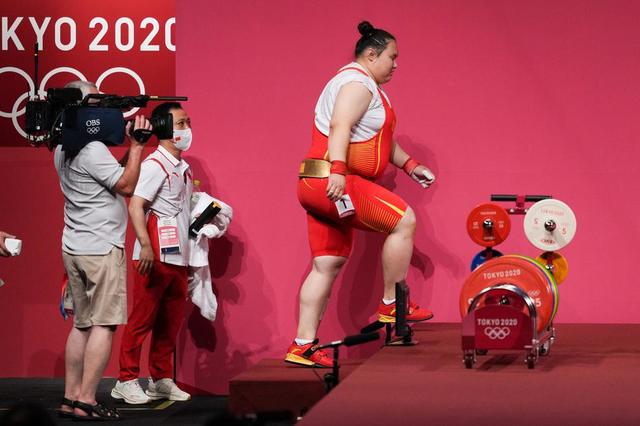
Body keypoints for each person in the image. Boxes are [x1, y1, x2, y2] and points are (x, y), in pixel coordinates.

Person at [286, 21, 437, 367]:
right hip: (331, 179)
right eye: (392, 57)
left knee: (326, 264)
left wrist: (410, 165)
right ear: (371, 54)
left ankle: (302, 345)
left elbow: (379, 140)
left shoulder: (364, 86)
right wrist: (339, 170)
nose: (396, 64)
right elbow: (340, 125)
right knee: (404, 220)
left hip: (315, 181)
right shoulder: (356, 84)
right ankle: (392, 304)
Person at [54, 80, 150, 419]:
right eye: (95, 100)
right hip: (101, 248)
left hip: (76, 246)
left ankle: (70, 398)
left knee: (82, 324)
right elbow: (126, 185)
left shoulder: (63, 146)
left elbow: (110, 176)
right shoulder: (92, 149)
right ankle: (87, 400)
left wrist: (129, 152)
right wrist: (137, 147)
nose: (103, 106)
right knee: (104, 325)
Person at [111, 102, 193, 404]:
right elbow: (136, 205)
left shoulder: (184, 168)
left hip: (179, 256)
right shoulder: (154, 164)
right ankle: (126, 379)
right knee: (142, 320)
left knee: (169, 323)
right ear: (164, 129)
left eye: (188, 122)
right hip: (154, 255)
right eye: (181, 124)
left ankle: (160, 379)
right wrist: (145, 245)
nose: (187, 129)